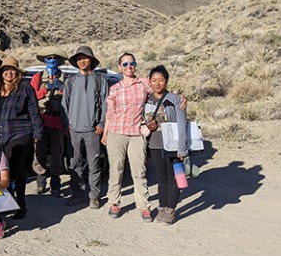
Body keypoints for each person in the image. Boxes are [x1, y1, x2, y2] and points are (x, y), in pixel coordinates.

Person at [0, 57, 43, 219]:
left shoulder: (25, 88)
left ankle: (20, 205)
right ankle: (2, 203)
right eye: (6, 70)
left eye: (12, 70)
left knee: (13, 164)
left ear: (17, 72)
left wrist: (37, 133)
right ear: (1, 72)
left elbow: (34, 111)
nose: (9, 73)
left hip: (20, 132)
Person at [101, 52, 152, 221]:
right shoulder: (115, 89)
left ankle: (144, 206)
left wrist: (178, 98)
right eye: (125, 64)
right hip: (117, 132)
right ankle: (114, 203)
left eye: (131, 63)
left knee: (139, 171)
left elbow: (161, 94)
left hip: (137, 133)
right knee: (116, 170)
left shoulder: (144, 84)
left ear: (135, 65)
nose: (129, 67)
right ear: (119, 67)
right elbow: (110, 113)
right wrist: (106, 133)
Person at [62, 46, 109, 209]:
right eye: (79, 58)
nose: (82, 61)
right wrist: (66, 125)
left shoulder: (100, 80)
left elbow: (105, 104)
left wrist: (102, 123)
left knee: (94, 164)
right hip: (74, 129)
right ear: (76, 62)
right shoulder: (70, 81)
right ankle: (78, 194)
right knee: (75, 164)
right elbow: (64, 105)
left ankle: (94, 196)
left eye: (85, 58)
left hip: (92, 130)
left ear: (91, 60)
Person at [144, 65, 188, 225]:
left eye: (161, 80)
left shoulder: (175, 99)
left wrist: (181, 148)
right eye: (154, 80)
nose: (157, 83)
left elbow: (182, 124)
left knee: (173, 178)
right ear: (149, 82)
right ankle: (162, 207)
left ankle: (171, 209)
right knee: (161, 178)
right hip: (155, 145)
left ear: (166, 81)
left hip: (172, 145)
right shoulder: (147, 99)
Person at [30, 46, 69, 196]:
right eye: (49, 58)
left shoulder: (65, 78)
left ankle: (56, 185)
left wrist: (62, 88)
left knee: (57, 154)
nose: (52, 60)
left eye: (55, 58)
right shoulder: (37, 78)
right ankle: (40, 183)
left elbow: (70, 100)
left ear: (59, 61)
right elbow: (31, 99)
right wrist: (45, 88)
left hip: (57, 121)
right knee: (38, 153)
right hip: (40, 120)